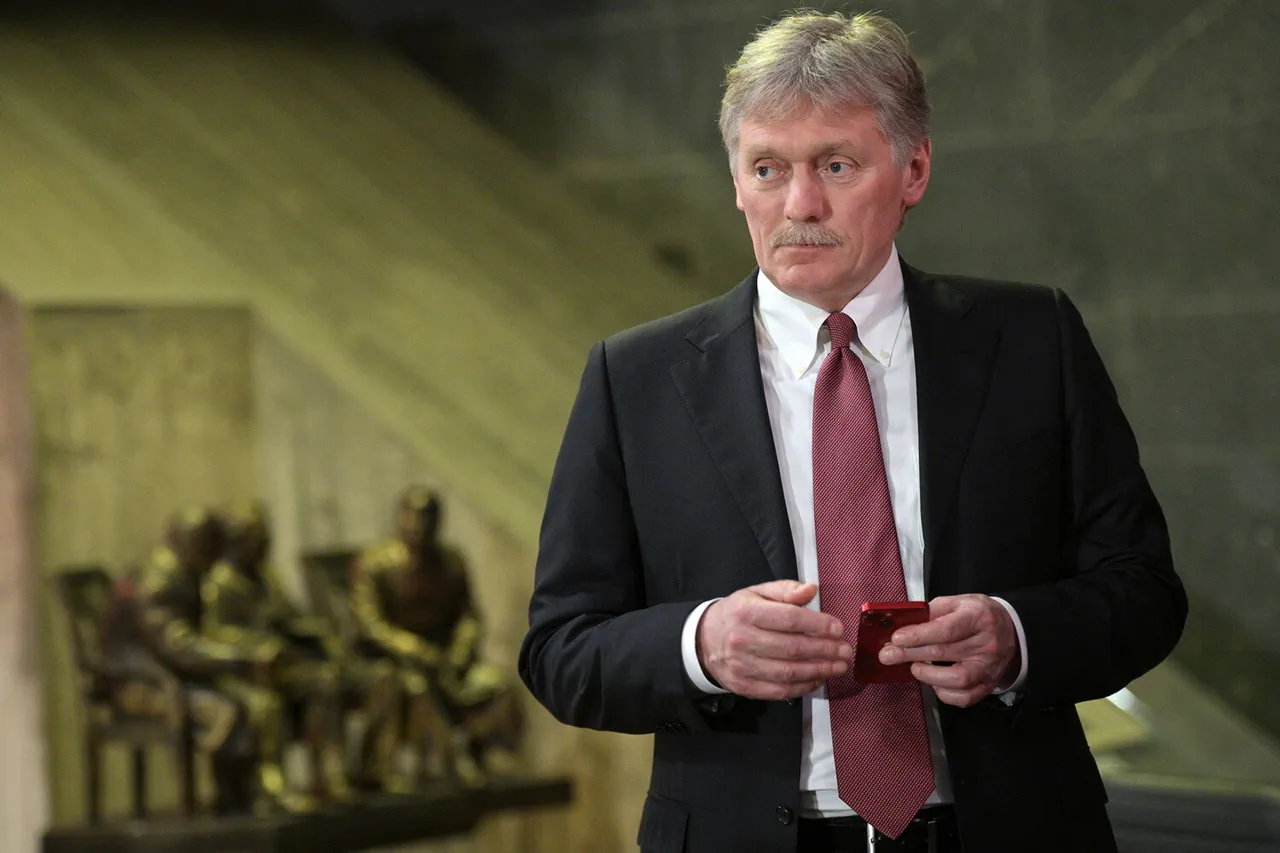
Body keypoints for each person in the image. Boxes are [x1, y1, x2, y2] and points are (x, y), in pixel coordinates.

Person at [518, 10, 1186, 853]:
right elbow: (561, 649)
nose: (800, 205)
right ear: (735, 180)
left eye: (836, 165)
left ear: (914, 169)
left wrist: (1018, 636)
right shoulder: (637, 378)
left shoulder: (1031, 341)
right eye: (768, 168)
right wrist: (701, 644)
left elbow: (1144, 590)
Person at [202, 500, 407, 799]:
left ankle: (372, 767)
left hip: (297, 661)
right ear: (237, 542)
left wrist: (323, 637)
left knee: (382, 678)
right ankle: (326, 776)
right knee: (326, 683)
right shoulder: (220, 583)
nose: (264, 546)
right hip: (260, 670)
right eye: (256, 539)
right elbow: (216, 633)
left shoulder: (266, 578)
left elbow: (292, 617)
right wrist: (262, 646)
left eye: (266, 538)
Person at [133, 507, 304, 814]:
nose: (214, 557)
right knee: (234, 709)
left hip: (181, 674)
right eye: (208, 546)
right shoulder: (161, 582)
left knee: (265, 698)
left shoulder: (191, 573)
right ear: (187, 541)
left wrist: (245, 653)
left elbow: (209, 632)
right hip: (146, 682)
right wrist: (238, 659)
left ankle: (246, 794)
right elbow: (178, 645)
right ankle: (232, 798)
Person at [352, 487, 519, 787]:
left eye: (428, 516)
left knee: (497, 686)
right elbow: (369, 623)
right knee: (417, 688)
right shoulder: (375, 565)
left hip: (446, 658)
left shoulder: (451, 562)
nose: (420, 524)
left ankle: (482, 751)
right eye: (413, 515)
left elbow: (468, 615)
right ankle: (445, 760)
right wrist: (412, 647)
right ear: (400, 517)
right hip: (393, 661)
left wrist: (460, 649)